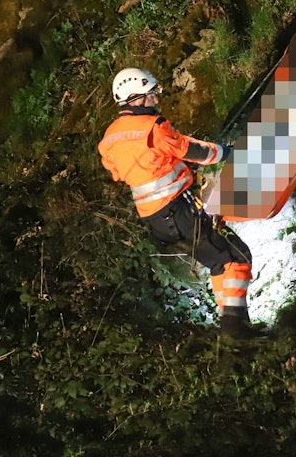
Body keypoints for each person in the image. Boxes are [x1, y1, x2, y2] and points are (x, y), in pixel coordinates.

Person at [98, 67, 259, 340]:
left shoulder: (110, 137)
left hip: (157, 221)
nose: (157, 100)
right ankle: (235, 333)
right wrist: (228, 152)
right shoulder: (153, 128)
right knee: (234, 258)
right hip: (179, 212)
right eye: (152, 95)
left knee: (221, 260)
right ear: (136, 98)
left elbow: (117, 172)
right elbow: (193, 150)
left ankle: (234, 329)